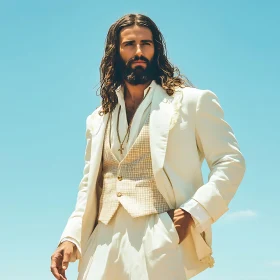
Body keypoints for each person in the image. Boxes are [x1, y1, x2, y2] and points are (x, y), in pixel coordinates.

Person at [50, 13, 246, 280]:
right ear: (115, 53)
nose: (139, 51)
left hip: (159, 237)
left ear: (157, 50)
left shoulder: (191, 102)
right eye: (130, 44)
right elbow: (89, 186)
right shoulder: (98, 118)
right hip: (102, 241)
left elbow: (230, 161)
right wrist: (71, 236)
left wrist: (195, 210)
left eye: (147, 43)